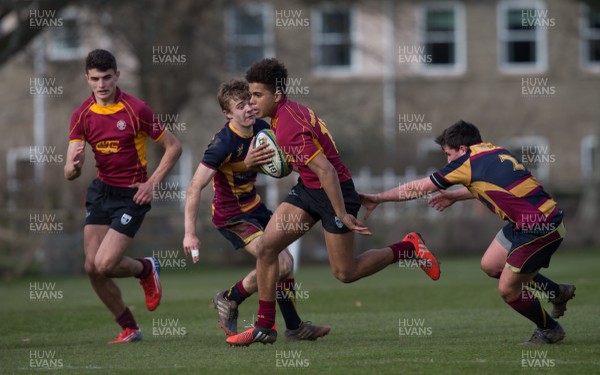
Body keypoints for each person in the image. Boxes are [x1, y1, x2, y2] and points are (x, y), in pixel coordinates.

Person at [225, 58, 441, 346]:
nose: (251, 101)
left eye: (257, 95)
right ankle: (265, 326)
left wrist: (342, 211)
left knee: (345, 272)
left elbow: (326, 170)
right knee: (267, 247)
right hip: (309, 189)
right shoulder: (286, 113)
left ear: (276, 95)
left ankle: (408, 247)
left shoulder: (288, 125)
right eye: (250, 95)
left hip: (334, 191)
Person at [360, 120, 575, 345]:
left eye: (448, 153)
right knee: (492, 265)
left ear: (462, 149)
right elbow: (490, 185)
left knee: (508, 290)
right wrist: (455, 195)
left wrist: (379, 198)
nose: (448, 160)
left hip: (540, 227)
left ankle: (550, 329)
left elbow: (419, 187)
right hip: (531, 221)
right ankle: (555, 292)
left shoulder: (467, 162)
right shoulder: (493, 150)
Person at [182, 78, 330, 341]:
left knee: (287, 264)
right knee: (281, 262)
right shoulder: (222, 144)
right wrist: (190, 234)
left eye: (250, 102)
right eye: (241, 106)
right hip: (232, 216)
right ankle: (230, 297)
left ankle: (294, 327)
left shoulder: (262, 129)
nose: (249, 109)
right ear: (228, 113)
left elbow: (281, 161)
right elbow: (194, 187)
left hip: (256, 207)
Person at [64, 49, 182, 344]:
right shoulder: (82, 115)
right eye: (95, 79)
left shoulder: (136, 109)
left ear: (117, 75)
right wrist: (73, 167)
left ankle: (146, 268)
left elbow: (174, 147)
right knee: (92, 268)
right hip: (101, 191)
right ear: (87, 79)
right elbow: (69, 172)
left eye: (106, 77)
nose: (101, 84)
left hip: (132, 195)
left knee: (105, 265)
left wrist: (152, 183)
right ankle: (130, 327)